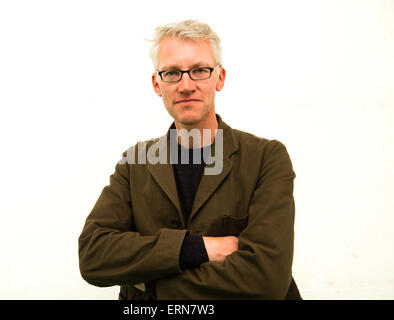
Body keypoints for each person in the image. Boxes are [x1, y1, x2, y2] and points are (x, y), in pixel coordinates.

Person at [78, 19, 301, 300]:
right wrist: (199, 249)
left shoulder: (267, 158)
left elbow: (266, 279)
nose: (186, 85)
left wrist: (152, 287)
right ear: (157, 84)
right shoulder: (134, 162)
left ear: (219, 78)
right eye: (171, 73)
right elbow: (92, 254)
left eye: (199, 70)